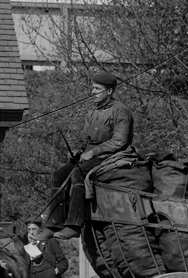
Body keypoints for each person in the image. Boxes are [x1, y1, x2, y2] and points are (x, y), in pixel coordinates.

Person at [46, 70, 134, 239]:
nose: (92, 92)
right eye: (93, 88)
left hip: (111, 155)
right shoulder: (92, 112)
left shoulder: (121, 111)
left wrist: (92, 152)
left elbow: (119, 142)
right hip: (90, 155)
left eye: (96, 88)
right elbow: (84, 139)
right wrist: (77, 151)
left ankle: (74, 225)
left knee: (78, 174)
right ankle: (53, 224)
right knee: (58, 175)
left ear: (109, 91)